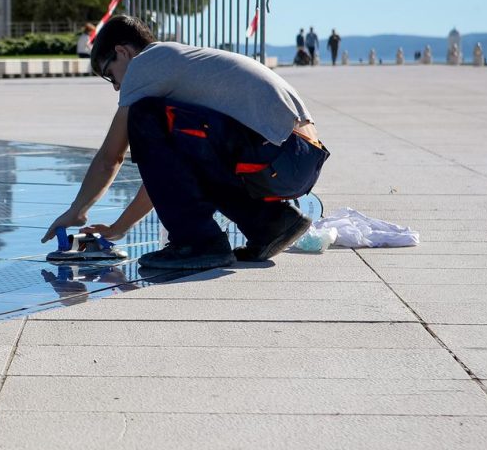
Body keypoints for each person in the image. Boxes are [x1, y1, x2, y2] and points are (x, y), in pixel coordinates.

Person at [42, 15, 329, 270]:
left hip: (280, 153)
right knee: (185, 148)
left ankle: (198, 242)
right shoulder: (179, 63)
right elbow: (167, 179)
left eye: (109, 74)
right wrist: (119, 228)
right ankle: (271, 223)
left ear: (122, 52)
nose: (117, 86)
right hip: (297, 158)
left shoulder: (145, 65)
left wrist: (77, 211)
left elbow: (110, 158)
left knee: (143, 115)